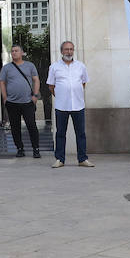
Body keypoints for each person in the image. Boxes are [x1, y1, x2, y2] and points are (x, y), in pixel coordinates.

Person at [47, 40, 91, 169]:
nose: (69, 52)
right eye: (66, 49)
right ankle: (60, 159)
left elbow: (83, 83)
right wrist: (62, 95)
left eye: (71, 49)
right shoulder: (54, 67)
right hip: (62, 106)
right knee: (60, 133)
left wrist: (74, 93)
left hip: (78, 105)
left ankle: (82, 159)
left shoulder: (81, 66)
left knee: (81, 133)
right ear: (61, 51)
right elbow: (51, 86)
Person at [0, 44, 41, 159]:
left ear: (22, 53)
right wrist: (5, 98)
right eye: (12, 51)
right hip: (12, 103)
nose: (14, 53)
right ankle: (19, 148)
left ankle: (36, 149)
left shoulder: (29, 65)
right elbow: (2, 82)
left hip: (28, 102)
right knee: (15, 127)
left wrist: (35, 96)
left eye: (16, 51)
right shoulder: (6, 68)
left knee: (31, 125)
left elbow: (36, 80)